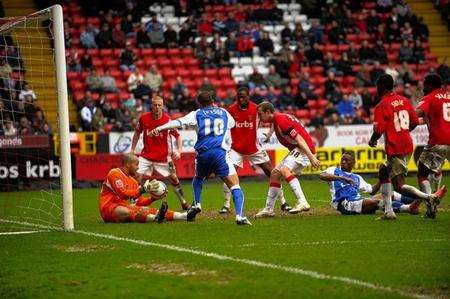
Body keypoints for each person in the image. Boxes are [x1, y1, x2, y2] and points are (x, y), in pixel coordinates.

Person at [151, 91, 252, 225]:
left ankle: (197, 203)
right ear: (213, 101)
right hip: (219, 153)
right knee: (235, 185)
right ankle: (239, 216)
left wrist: (160, 128)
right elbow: (232, 124)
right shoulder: (223, 112)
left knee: (198, 178)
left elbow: (178, 122)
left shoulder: (196, 114)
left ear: (199, 103)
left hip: (203, 154)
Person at [368, 74, 446, 220]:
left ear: (382, 87)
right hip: (407, 144)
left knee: (399, 185)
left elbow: (378, 129)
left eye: (377, 86)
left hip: (394, 146)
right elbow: (415, 121)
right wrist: (404, 131)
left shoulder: (382, 105)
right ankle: (389, 212)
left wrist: (372, 140)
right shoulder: (404, 100)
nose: (376, 89)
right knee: (384, 171)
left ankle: (429, 197)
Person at [218, 87, 292, 215]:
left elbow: (274, 118)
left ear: (248, 96)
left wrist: (269, 134)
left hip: (254, 148)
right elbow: (224, 127)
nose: (241, 99)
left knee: (272, 173)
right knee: (229, 174)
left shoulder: (256, 109)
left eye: (243, 97)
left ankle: (283, 202)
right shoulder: (230, 110)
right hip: (237, 149)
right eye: (239, 97)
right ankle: (226, 204)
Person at [256, 102, 320, 216]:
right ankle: (269, 209)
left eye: (260, 115)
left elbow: (299, 139)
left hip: (303, 149)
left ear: (267, 112)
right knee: (275, 174)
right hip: (298, 149)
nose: (259, 118)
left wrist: (311, 157)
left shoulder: (281, 121)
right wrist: (270, 134)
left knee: (285, 170)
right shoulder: (277, 118)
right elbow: (274, 124)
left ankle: (303, 202)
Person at [131, 96, 188, 210]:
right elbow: (137, 133)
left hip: (164, 157)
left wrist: (179, 150)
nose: (157, 107)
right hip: (146, 155)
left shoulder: (168, 120)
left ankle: (183, 202)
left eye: (159, 105)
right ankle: (134, 201)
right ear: (151, 106)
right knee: (136, 176)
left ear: (163, 106)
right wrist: (132, 150)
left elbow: (178, 137)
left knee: (174, 178)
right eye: (155, 105)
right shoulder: (144, 118)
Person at [319, 151, 420, 215]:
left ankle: (417, 199)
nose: (343, 162)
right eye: (342, 160)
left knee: (391, 194)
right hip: (346, 204)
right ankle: (408, 208)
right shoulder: (334, 170)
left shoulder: (357, 177)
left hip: (360, 200)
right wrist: (342, 178)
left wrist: (383, 177)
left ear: (353, 163)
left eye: (346, 160)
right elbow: (322, 175)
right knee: (376, 202)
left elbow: (372, 190)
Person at [99, 153, 191, 223]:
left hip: (123, 206)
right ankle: (154, 218)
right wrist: (142, 190)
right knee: (126, 211)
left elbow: (139, 202)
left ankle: (183, 216)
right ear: (128, 164)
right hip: (108, 207)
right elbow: (122, 194)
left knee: (145, 209)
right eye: (136, 165)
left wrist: (153, 198)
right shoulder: (114, 173)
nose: (138, 168)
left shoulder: (133, 181)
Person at [416, 74, 449, 218]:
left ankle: (430, 204)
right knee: (435, 170)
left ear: (430, 85)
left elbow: (417, 113)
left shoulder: (429, 98)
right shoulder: (448, 96)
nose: (423, 87)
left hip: (438, 141)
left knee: (422, 173)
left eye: (424, 84)